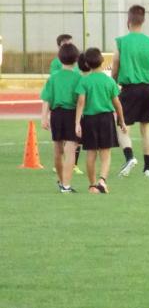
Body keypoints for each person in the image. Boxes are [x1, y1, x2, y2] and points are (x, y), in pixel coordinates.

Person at [112, 4, 149, 178]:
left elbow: (115, 68)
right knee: (146, 128)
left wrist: (112, 86)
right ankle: (147, 169)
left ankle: (130, 157)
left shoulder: (121, 42)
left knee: (123, 127)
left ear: (128, 21)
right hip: (147, 90)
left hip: (129, 90)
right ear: (143, 21)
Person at [75, 48, 127, 193]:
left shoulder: (84, 81)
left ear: (86, 63)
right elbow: (117, 103)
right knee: (105, 153)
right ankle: (102, 180)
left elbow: (80, 102)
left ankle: (92, 185)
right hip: (106, 119)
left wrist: (77, 122)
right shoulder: (109, 81)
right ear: (103, 61)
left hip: (89, 120)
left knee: (91, 153)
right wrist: (121, 121)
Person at [40, 43, 82, 193]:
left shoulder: (53, 77)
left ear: (59, 58)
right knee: (71, 149)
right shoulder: (79, 77)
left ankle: (61, 180)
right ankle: (66, 185)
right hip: (71, 113)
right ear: (76, 59)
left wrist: (44, 117)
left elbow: (46, 99)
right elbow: (81, 100)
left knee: (57, 149)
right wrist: (79, 121)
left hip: (56, 114)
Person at [49, 34, 84, 175]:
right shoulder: (56, 65)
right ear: (59, 47)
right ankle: (63, 171)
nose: (68, 45)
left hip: (73, 108)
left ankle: (73, 165)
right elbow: (54, 83)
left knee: (76, 138)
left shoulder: (77, 71)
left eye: (70, 43)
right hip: (63, 107)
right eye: (65, 43)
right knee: (64, 141)